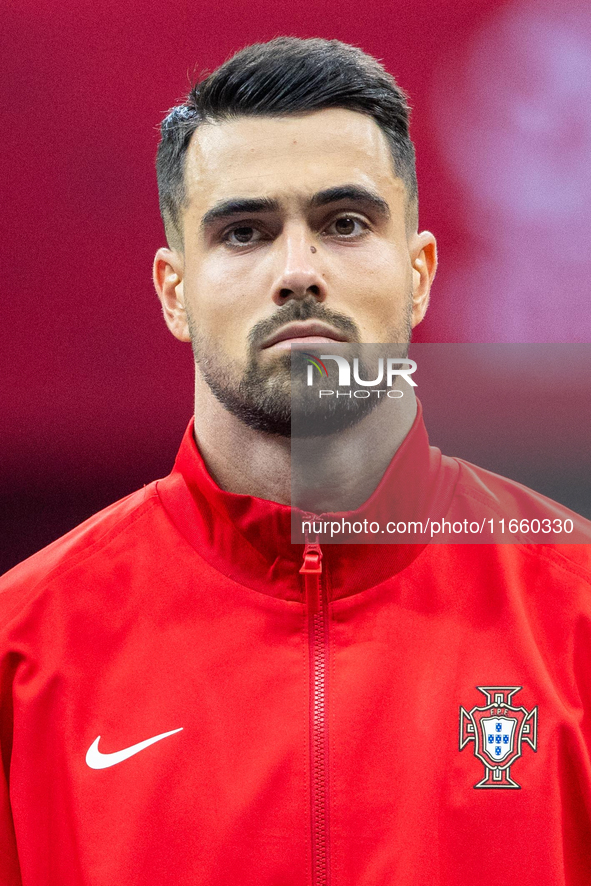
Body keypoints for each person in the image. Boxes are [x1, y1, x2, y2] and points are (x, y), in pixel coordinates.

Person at [1, 37, 590, 886]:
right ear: (175, 291)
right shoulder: (23, 656)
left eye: (343, 223)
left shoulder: (573, 616)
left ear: (418, 273)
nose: (298, 272)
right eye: (245, 232)